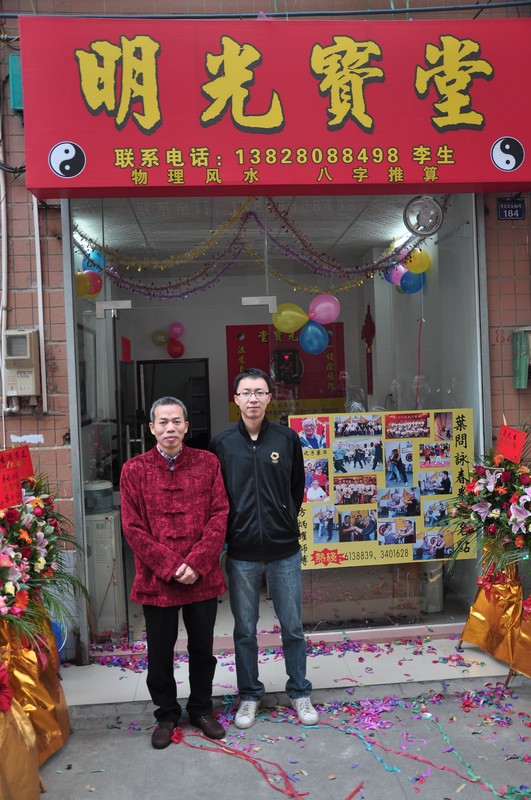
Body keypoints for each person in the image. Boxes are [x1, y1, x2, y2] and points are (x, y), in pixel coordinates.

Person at [210, 367, 318, 730]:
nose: (253, 398)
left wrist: (282, 518)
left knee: (292, 626)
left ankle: (299, 691)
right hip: (241, 551)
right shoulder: (223, 444)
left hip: (284, 548)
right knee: (244, 629)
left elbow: (296, 487)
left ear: (270, 397)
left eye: (259, 392)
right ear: (236, 399)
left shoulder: (287, 439)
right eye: (246, 392)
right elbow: (218, 496)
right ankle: (249, 695)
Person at [120, 397, 229, 749]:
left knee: (203, 649)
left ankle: (201, 709)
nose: (170, 428)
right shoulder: (134, 470)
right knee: (159, 653)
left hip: (202, 576)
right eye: (163, 422)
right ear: (151, 427)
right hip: (157, 580)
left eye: (177, 421)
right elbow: (132, 527)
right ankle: (166, 714)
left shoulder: (208, 463)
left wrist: (196, 563)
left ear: (186, 426)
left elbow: (219, 515)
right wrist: (170, 565)